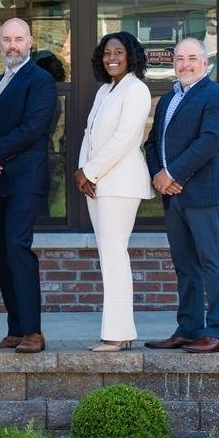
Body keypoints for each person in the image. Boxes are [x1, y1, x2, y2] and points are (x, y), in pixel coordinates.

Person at [143, 37, 219, 354]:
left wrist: (172, 174)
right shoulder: (168, 99)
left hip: (205, 194)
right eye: (180, 59)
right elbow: (152, 143)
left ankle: (217, 332)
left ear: (205, 63)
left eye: (192, 58)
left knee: (212, 263)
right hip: (174, 197)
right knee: (185, 265)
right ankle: (189, 328)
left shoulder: (218, 96)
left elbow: (208, 142)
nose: (185, 64)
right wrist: (159, 176)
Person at [0, 19, 57, 354]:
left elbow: (33, 127)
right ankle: (15, 329)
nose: (12, 45)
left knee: (17, 248)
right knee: (2, 254)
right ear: (0, 44)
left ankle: (33, 331)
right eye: (6, 39)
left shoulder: (40, 80)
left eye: (18, 39)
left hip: (24, 181)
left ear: (30, 41)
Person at [74, 32, 153, 352]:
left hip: (120, 184)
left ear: (131, 55)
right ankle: (119, 331)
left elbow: (124, 139)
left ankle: (118, 333)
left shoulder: (137, 90)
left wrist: (89, 171)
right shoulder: (105, 90)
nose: (112, 58)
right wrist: (82, 172)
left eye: (118, 52)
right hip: (98, 184)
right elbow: (89, 133)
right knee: (109, 255)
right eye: (107, 53)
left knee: (114, 255)